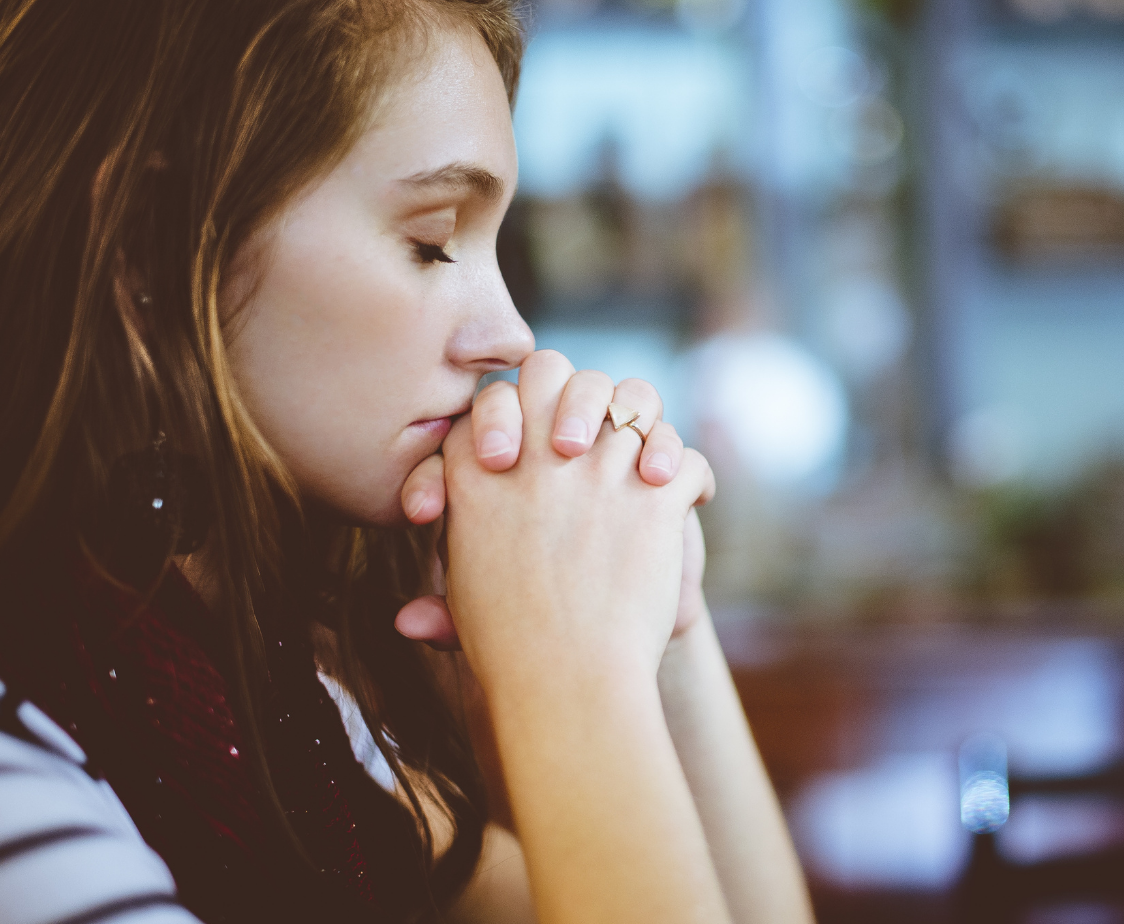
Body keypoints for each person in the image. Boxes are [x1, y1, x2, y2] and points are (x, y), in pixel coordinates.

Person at [0, 1, 812, 923]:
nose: (510, 334)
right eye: (431, 242)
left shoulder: (269, 707)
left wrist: (660, 613)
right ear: (151, 239)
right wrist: (569, 669)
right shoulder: (25, 775)